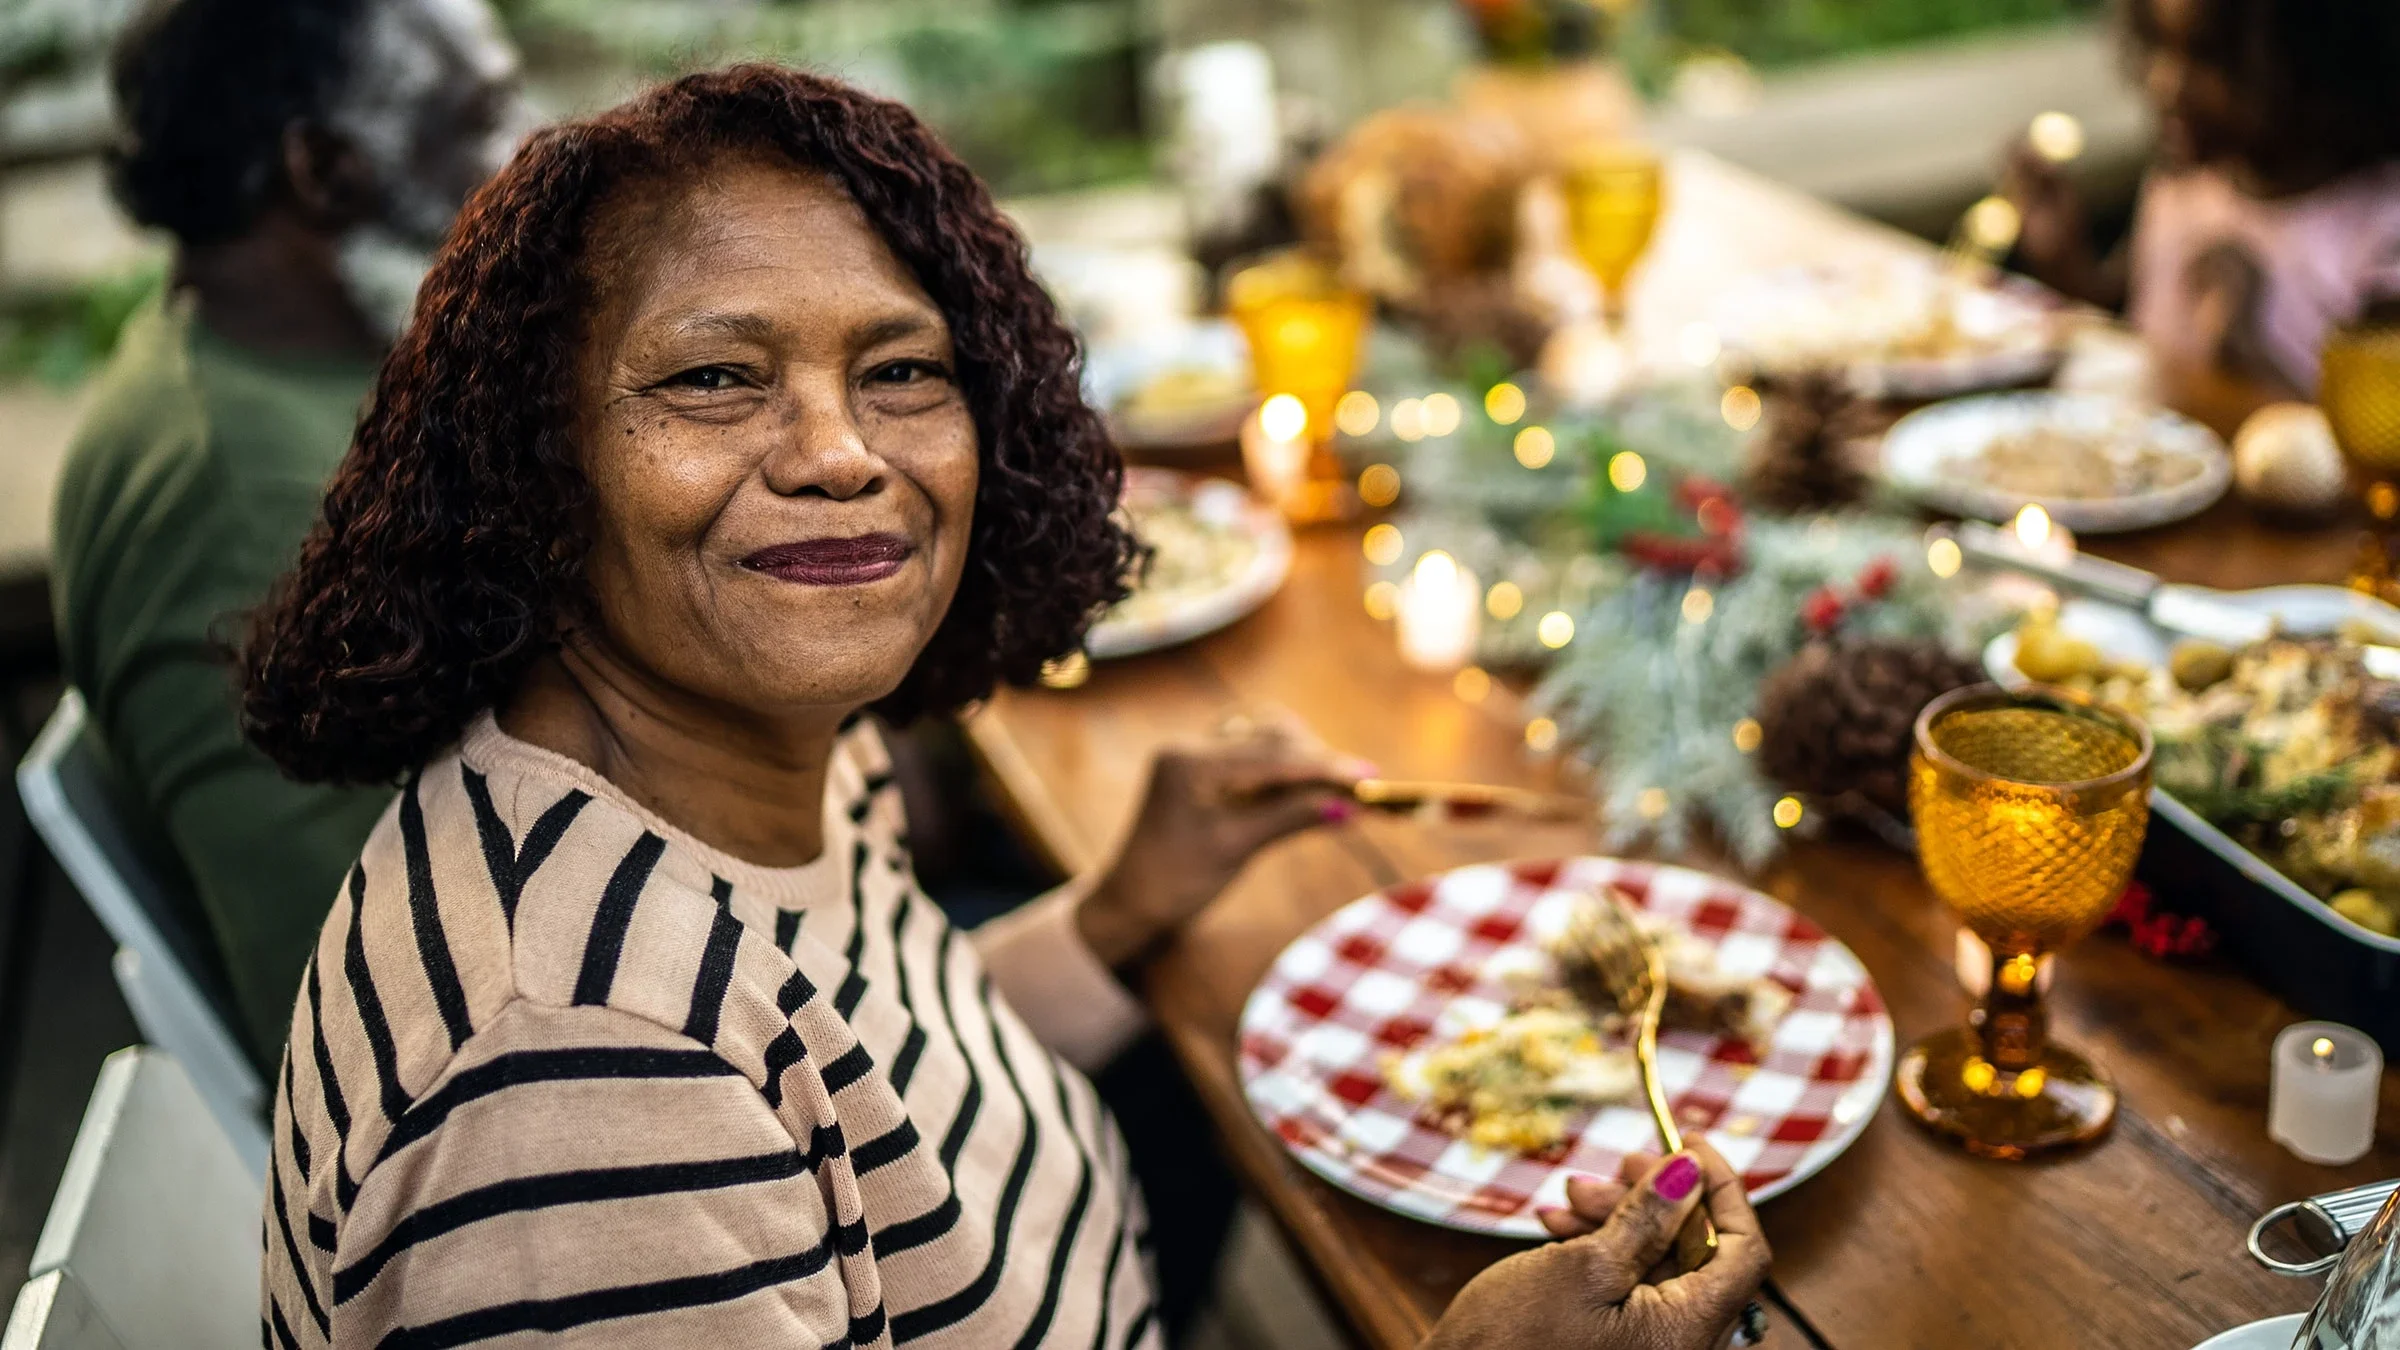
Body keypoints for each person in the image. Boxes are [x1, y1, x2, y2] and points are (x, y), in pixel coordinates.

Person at [241, 66, 1770, 1347]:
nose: (841, 450)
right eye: (714, 378)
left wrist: (1115, 914)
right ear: (532, 460)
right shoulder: (580, 1089)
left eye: (902, 368)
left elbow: (866, 1071)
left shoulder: (731, 743)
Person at [50, 0, 530, 1070]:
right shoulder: (235, 507)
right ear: (321, 170)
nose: (528, 148)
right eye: (479, 115)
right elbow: (387, 1028)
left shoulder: (315, 358)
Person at [2006, 0, 2400, 424]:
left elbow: (2363, 452)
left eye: (2209, 56)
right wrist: (2065, 262)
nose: (2165, 83)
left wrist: (2241, 343)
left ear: (2323, 62)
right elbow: (2135, 324)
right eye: (2157, 45)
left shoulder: (2380, 230)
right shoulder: (2185, 181)